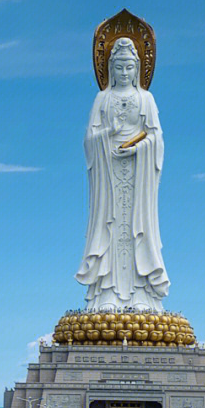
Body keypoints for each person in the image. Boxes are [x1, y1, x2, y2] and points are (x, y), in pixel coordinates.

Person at [76, 37, 169, 311]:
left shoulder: (146, 99)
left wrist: (139, 148)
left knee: (137, 229)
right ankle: (107, 294)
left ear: (138, 69)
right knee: (111, 226)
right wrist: (109, 133)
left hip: (139, 178)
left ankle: (142, 294)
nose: (124, 73)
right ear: (110, 69)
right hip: (109, 177)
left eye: (129, 67)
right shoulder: (102, 99)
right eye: (119, 68)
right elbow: (89, 141)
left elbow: (157, 139)